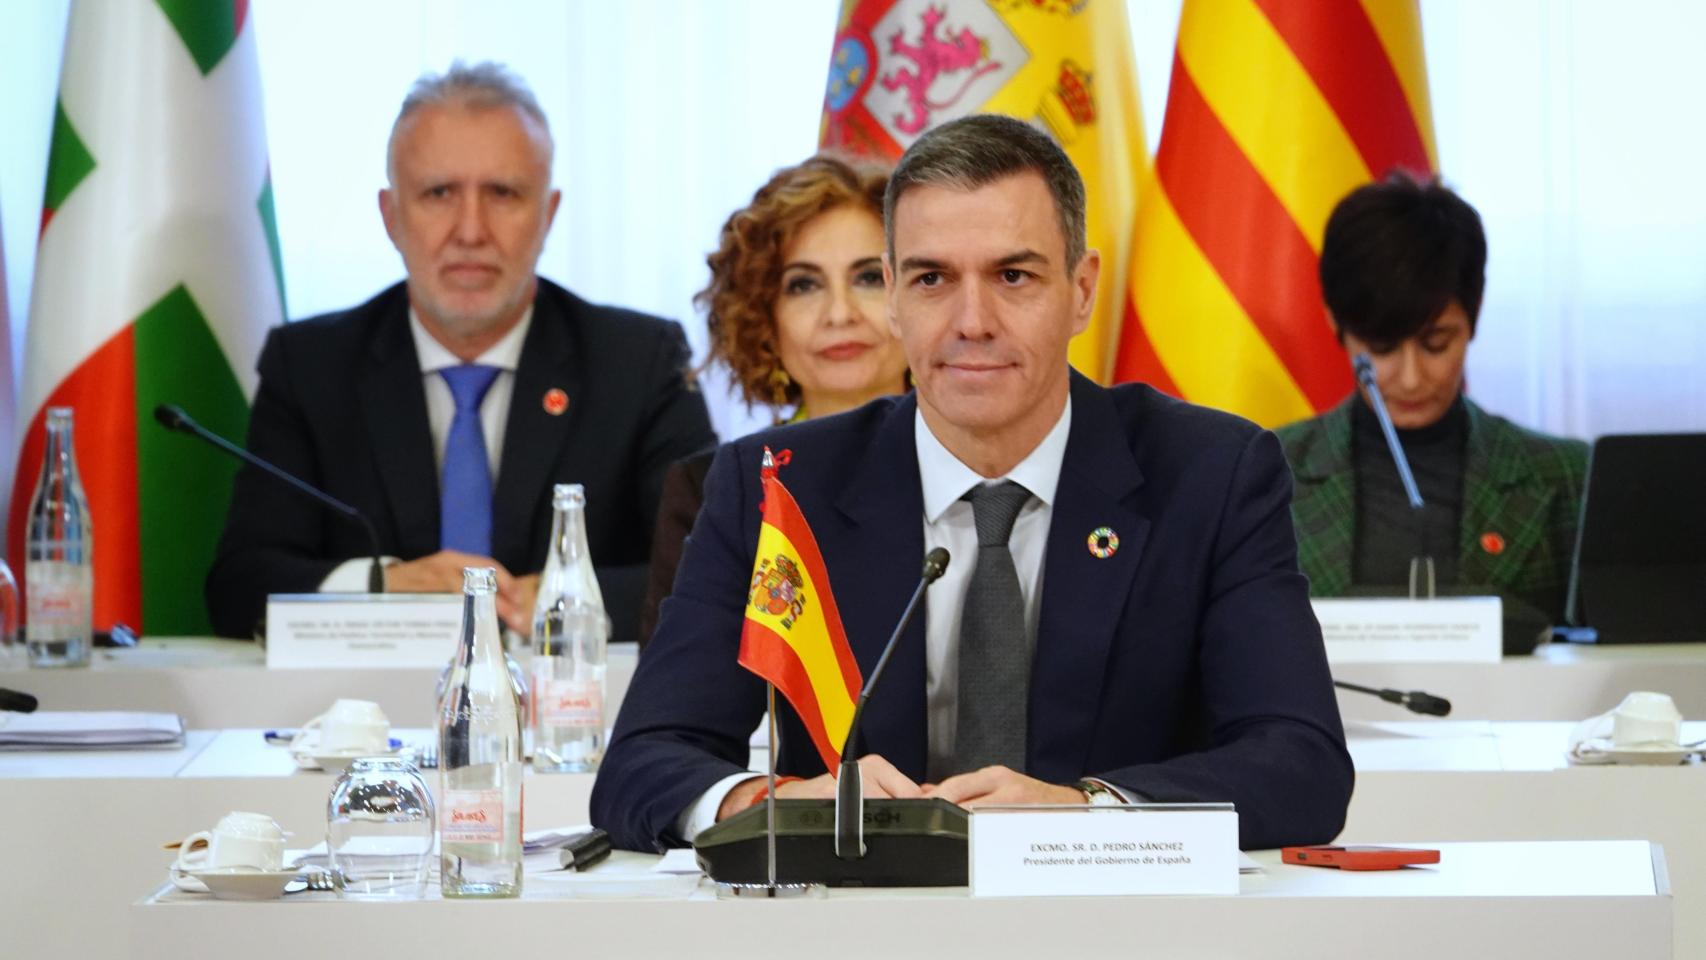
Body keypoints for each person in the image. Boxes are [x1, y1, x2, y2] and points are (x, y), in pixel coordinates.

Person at [593, 114, 1352, 853]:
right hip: (853, 912)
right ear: (895, 296)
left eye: (1013, 276)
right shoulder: (778, 487)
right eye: (932, 279)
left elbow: (1302, 765)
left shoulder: (1212, 474)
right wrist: (774, 804)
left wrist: (1087, 810)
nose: (972, 321)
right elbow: (642, 764)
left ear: (1082, 289)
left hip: (1115, 909)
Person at [205, 63, 715, 644]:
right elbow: (239, 584)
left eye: (503, 193)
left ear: (547, 216)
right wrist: (381, 585)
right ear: (391, 217)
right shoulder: (311, 366)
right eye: (439, 193)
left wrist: (562, 599)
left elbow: (712, 565)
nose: (471, 230)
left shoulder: (640, 363)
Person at [1276, 172, 1588, 628]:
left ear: (1474, 318)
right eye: (1382, 348)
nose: (1410, 378)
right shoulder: (1267, 474)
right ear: (1335, 323)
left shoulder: (1567, 476)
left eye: (1436, 343)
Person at [638, 155, 910, 645]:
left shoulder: (975, 470)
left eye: (869, 277)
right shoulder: (710, 489)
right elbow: (675, 682)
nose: (839, 314)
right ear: (763, 320)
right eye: (804, 285)